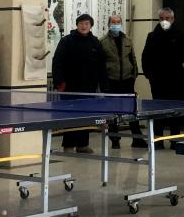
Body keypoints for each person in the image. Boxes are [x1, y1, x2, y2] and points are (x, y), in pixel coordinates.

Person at [52, 13, 107, 153]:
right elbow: (57, 62)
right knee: (71, 115)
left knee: (85, 114)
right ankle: (68, 145)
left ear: (91, 26)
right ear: (77, 25)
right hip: (70, 86)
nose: (84, 26)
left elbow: (101, 65)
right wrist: (59, 82)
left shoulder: (95, 42)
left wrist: (102, 84)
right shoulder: (67, 41)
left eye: (87, 23)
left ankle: (82, 144)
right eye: (81, 23)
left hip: (89, 86)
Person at [141, 7, 184, 147]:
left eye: (167, 18)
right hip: (157, 80)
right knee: (158, 111)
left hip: (176, 79)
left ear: (173, 19)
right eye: (161, 18)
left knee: (175, 110)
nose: (164, 21)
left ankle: (175, 140)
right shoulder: (152, 36)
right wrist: (148, 74)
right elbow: (145, 56)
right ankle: (158, 141)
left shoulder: (181, 35)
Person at [100, 14, 143, 149]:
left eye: (118, 22)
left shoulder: (127, 40)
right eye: (113, 22)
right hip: (111, 80)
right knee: (113, 111)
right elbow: (101, 63)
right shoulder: (103, 42)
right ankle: (115, 139)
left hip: (127, 80)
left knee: (132, 110)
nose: (116, 24)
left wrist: (134, 75)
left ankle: (137, 139)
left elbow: (133, 59)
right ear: (109, 24)